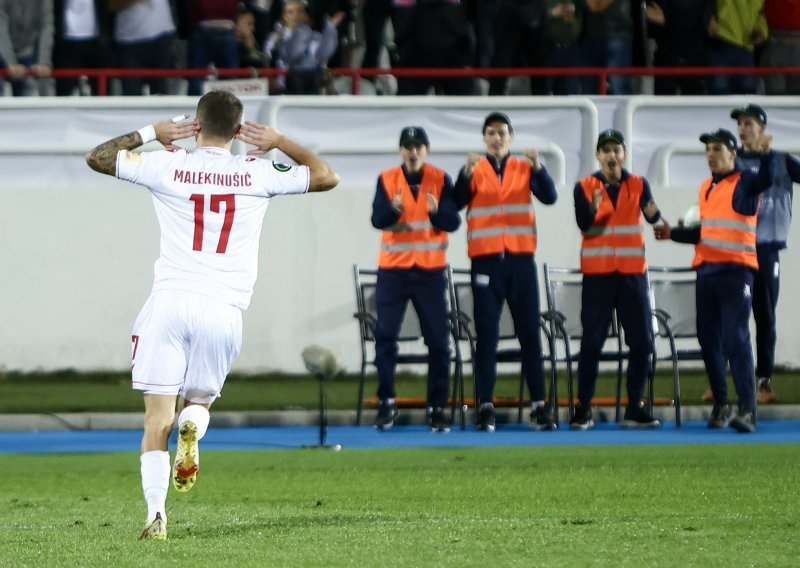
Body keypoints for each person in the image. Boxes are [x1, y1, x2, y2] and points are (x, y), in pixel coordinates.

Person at [84, 90, 339, 539]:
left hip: (169, 303)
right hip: (222, 309)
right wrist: (279, 140)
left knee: (154, 420)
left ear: (194, 125)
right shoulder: (257, 172)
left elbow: (98, 157)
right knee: (198, 402)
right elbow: (326, 176)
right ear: (239, 131)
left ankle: (156, 515)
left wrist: (151, 133)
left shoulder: (168, 164)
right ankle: (192, 426)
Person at [653, 128, 773, 434]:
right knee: (709, 340)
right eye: (707, 149)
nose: (710, 154)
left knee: (735, 337)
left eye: (717, 149)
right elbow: (705, 232)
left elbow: (767, 179)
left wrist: (764, 153)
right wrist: (672, 234)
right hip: (707, 273)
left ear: (732, 154)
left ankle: (748, 409)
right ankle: (722, 403)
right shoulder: (706, 187)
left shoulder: (745, 180)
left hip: (736, 272)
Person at [454, 112, 558, 432]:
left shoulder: (525, 167)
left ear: (511, 137)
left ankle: (539, 405)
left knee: (530, 335)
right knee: (486, 338)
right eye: (491, 133)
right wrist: (464, 175)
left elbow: (550, 197)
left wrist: (539, 169)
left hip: (520, 261)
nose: (496, 138)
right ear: (484, 138)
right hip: (486, 263)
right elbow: (455, 203)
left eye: (502, 133)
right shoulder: (474, 168)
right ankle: (485, 406)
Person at [570, 130, 662, 430]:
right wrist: (594, 206)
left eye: (617, 150)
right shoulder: (584, 186)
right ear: (598, 155)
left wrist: (654, 212)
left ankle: (634, 406)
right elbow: (584, 224)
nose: (612, 156)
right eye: (606, 150)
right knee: (592, 344)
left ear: (624, 154)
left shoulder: (638, 184)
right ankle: (583, 408)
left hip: (632, 275)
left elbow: (651, 215)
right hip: (598, 276)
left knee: (642, 342)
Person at [371, 126, 461, 432]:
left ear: (426, 150)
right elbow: (376, 219)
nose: (413, 151)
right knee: (385, 339)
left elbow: (452, 221)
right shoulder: (386, 179)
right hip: (394, 271)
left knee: (438, 342)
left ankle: (437, 408)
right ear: (400, 151)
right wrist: (392, 209)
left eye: (418, 146)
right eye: (408, 146)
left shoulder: (440, 179)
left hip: (429, 272)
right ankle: (387, 403)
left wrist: (437, 213)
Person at [730, 104, 800, 404]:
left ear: (763, 128)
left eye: (748, 123)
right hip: (736, 250)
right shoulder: (731, 162)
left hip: (768, 250)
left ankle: (764, 381)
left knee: (766, 316)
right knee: (732, 317)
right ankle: (723, 381)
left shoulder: (783, 161)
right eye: (740, 124)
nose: (742, 128)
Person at [264, 0, 339, 94]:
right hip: (282, 89)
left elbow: (323, 55)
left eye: (300, 11)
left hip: (311, 86)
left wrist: (330, 28)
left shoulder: (315, 36)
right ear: (283, 16)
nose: (296, 16)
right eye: (290, 12)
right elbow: (291, 55)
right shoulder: (275, 38)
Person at [110, 0, 178, 96]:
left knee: (161, 94)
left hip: (161, 36)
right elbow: (112, 5)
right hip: (129, 42)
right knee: (132, 96)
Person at [705, 0, 768, 94]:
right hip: (722, 42)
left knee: (747, 93)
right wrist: (708, 18)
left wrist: (762, 30)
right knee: (719, 92)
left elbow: (760, 13)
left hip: (747, 48)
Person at [0, 0, 54, 96]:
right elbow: (1, 31)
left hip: (27, 52)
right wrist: (11, 63)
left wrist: (44, 62)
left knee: (34, 85)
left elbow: (46, 28)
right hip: (2, 52)